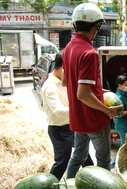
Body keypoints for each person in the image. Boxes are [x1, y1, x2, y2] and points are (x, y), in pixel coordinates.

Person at [62, 3, 122, 178]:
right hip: (93, 118)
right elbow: (83, 93)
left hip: (78, 117)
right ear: (96, 26)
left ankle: (68, 183)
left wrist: (97, 89)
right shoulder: (89, 53)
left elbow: (68, 82)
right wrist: (107, 110)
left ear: (75, 24)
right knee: (103, 159)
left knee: (78, 156)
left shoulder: (68, 49)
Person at [41, 52, 94, 180]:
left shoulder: (65, 81)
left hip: (72, 125)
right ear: (63, 67)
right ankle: (49, 184)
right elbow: (58, 111)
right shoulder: (49, 87)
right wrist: (79, 110)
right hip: (58, 129)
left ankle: (93, 180)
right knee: (62, 162)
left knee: (85, 157)